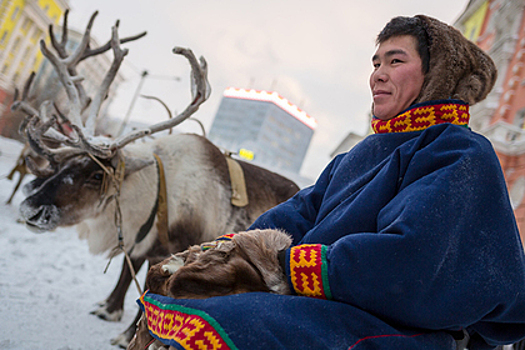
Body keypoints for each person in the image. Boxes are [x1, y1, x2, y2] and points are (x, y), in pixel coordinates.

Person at [137, 15, 525, 349]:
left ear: (436, 74)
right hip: (326, 304)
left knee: (233, 325)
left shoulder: (459, 151)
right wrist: (225, 252)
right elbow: (299, 212)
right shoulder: (358, 155)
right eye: (376, 63)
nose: (379, 74)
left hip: (402, 328)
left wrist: (287, 265)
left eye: (396, 60)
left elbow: (410, 261)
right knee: (180, 297)